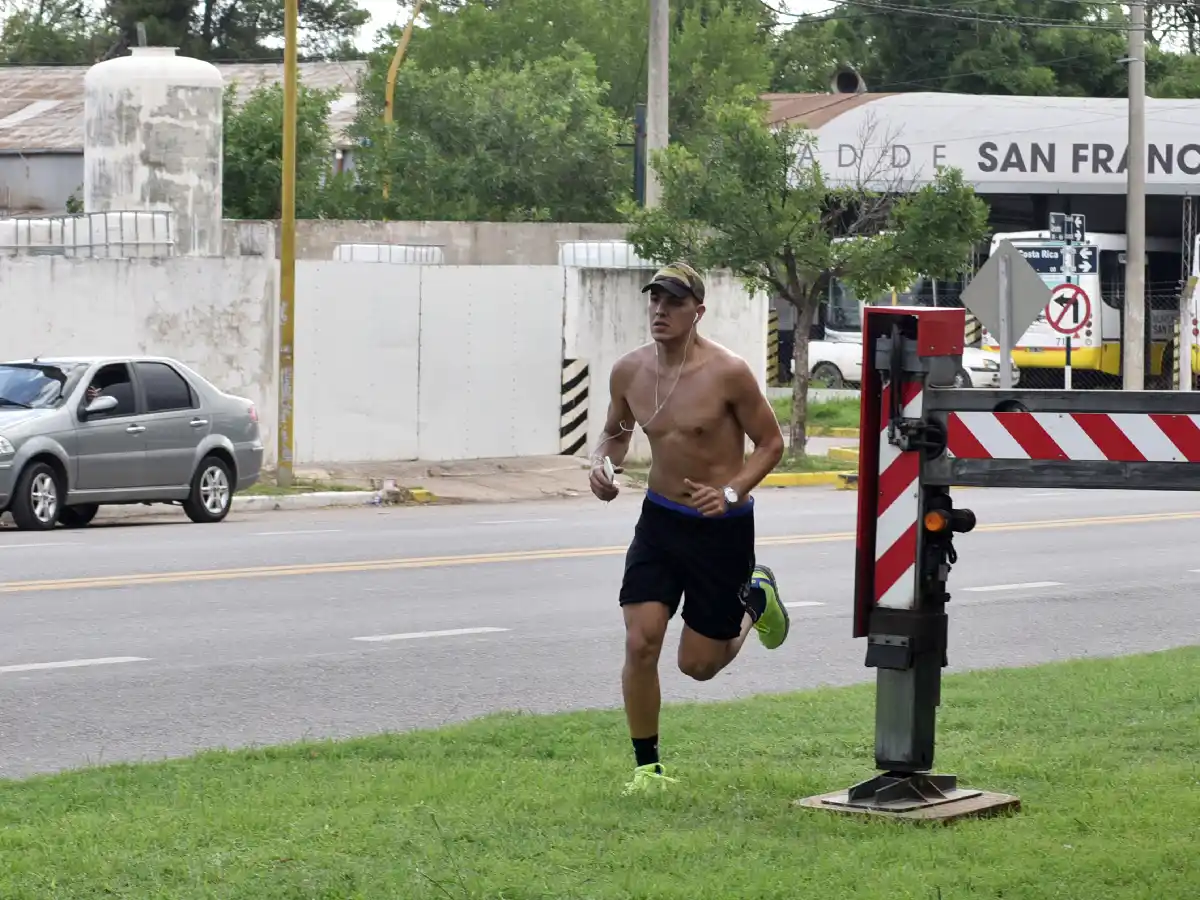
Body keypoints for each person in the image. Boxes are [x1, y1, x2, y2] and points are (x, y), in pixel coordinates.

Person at [588, 261, 789, 795]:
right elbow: (616, 432)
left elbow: (771, 444)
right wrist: (602, 465)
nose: (660, 309)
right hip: (660, 522)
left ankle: (757, 602)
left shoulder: (728, 372)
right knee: (640, 641)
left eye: (674, 302)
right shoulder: (629, 372)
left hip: (720, 528)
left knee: (698, 666)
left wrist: (731, 492)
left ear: (697, 312)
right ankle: (647, 769)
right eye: (655, 299)